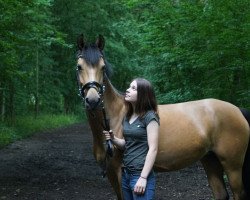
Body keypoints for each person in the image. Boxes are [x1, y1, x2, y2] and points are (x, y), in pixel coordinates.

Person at [103, 78, 160, 200]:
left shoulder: (150, 117)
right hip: (126, 174)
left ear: (143, 95)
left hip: (140, 175)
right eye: (129, 87)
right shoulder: (128, 116)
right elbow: (127, 144)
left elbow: (153, 149)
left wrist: (143, 178)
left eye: (133, 88)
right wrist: (113, 139)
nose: (127, 90)